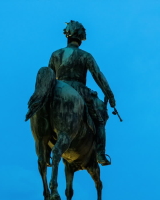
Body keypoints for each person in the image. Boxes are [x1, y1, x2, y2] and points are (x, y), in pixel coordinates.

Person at [47, 20, 116, 166]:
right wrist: (109, 94)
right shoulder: (85, 55)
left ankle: (46, 152)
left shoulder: (55, 54)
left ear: (67, 36)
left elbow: (50, 77)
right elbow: (98, 75)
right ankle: (100, 153)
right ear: (81, 38)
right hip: (78, 90)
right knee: (101, 116)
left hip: (57, 88)